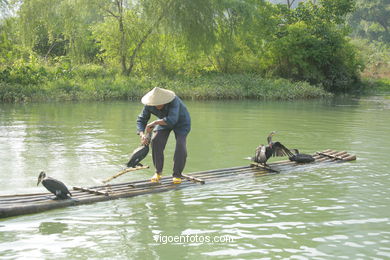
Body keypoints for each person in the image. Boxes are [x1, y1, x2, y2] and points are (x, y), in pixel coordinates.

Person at [136, 87, 191, 184]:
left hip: (181, 122)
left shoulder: (174, 101)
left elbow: (172, 119)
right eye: (154, 104)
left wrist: (153, 123)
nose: (156, 106)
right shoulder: (149, 104)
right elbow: (141, 120)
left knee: (180, 145)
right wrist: (142, 135)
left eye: (159, 103)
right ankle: (158, 172)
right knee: (156, 140)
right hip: (163, 122)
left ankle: (177, 175)